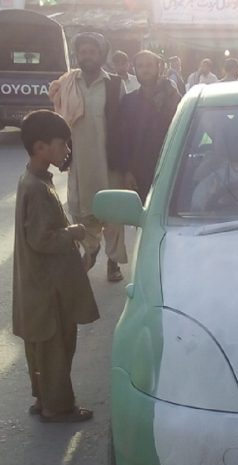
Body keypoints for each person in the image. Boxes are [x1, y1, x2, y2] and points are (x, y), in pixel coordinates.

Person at [13, 110, 99, 423]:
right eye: (61, 144)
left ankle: (42, 398)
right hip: (48, 287)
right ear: (40, 148)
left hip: (37, 284)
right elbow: (42, 239)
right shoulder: (36, 188)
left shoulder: (32, 180)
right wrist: (74, 232)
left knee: (41, 347)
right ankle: (57, 406)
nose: (66, 150)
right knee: (56, 347)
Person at [49, 31, 128, 282]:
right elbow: (58, 117)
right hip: (79, 160)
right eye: (83, 52)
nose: (87, 56)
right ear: (78, 55)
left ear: (101, 55)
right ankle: (91, 249)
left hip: (109, 161)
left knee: (112, 214)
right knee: (82, 211)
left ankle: (113, 262)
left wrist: (127, 165)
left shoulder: (115, 84)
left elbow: (125, 125)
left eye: (92, 52)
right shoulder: (68, 83)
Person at [120, 50, 181, 202]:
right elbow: (124, 139)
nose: (145, 70)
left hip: (170, 168)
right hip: (140, 172)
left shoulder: (171, 96)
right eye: (140, 66)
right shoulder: (129, 101)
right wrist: (127, 171)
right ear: (134, 69)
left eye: (149, 65)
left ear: (158, 67)